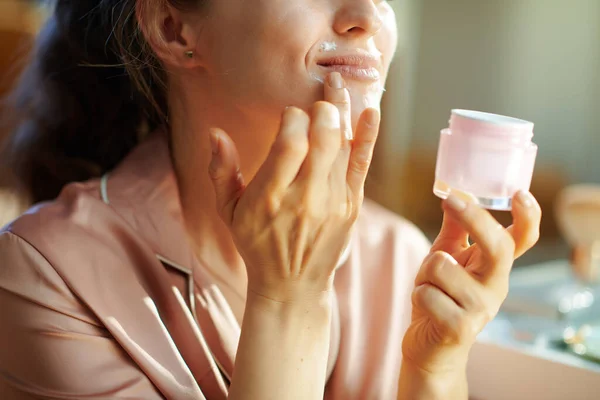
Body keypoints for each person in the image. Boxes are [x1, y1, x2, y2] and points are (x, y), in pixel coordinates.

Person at [0, 1, 541, 399]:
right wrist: (289, 299)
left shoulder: (400, 258)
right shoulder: (45, 278)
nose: (368, 16)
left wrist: (433, 371)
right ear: (172, 26)